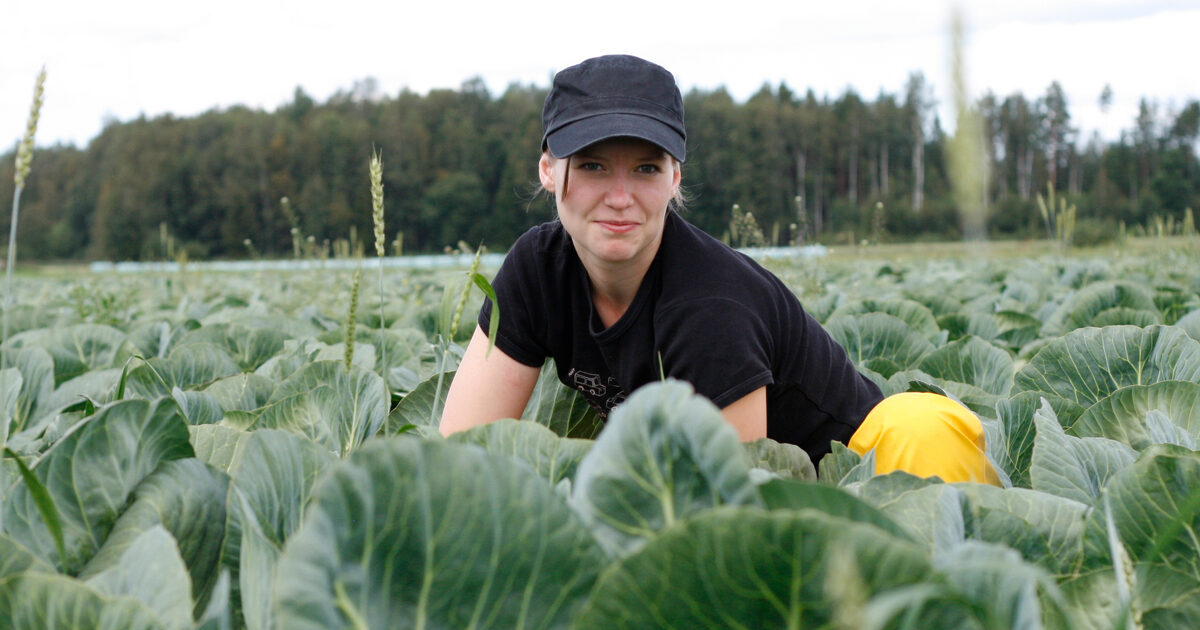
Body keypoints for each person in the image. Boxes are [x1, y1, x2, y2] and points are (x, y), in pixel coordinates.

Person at [440, 54, 998, 484]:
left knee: (921, 433)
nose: (619, 196)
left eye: (645, 167)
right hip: (728, 489)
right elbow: (461, 452)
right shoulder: (534, 271)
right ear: (546, 169)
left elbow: (733, 508)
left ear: (675, 178)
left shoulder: (710, 304)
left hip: (858, 477)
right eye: (591, 166)